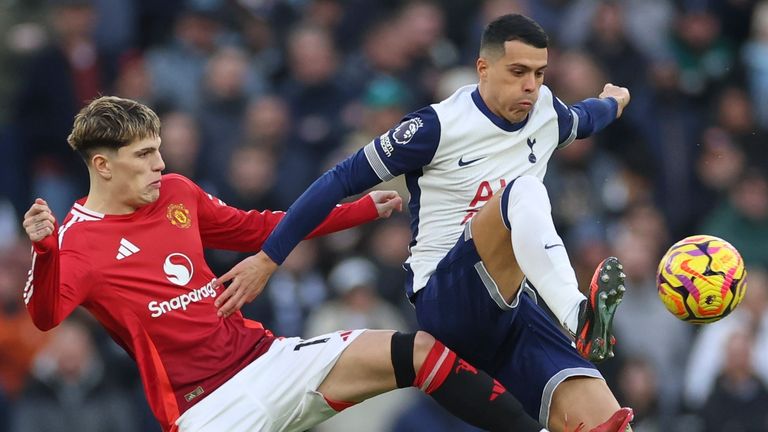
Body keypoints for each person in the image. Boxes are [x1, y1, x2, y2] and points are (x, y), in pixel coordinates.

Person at [20, 96, 633, 432]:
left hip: (268, 358)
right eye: (144, 155)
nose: (159, 165)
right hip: (206, 409)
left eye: (159, 151)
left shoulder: (176, 193)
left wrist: (358, 210)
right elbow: (46, 315)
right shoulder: (76, 242)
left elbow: (257, 228)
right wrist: (45, 253)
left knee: (415, 351)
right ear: (102, 165)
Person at [213, 14, 632, 431]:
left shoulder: (546, 112)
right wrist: (269, 258)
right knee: (522, 193)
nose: (530, 85)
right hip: (446, 300)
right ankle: (580, 316)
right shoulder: (437, 126)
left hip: (510, 310)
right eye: (518, 71)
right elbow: (339, 180)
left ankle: (580, 324)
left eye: (540, 73)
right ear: (483, 69)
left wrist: (615, 101)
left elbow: (586, 116)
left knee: (608, 423)